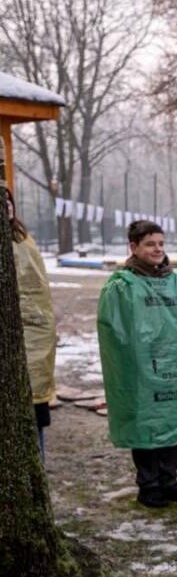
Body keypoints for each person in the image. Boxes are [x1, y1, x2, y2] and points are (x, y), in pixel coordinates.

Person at [98, 220, 177, 509]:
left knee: (172, 416)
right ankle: (148, 484)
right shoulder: (122, 286)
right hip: (141, 368)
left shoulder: (176, 281)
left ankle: (169, 480)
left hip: (175, 364)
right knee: (146, 421)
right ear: (133, 247)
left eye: (160, 243)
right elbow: (115, 333)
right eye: (150, 244)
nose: (157, 249)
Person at [8, 189, 56, 462]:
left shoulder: (24, 241)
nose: (6, 207)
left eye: (8, 202)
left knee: (33, 409)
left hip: (33, 334)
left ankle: (36, 465)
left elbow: (37, 292)